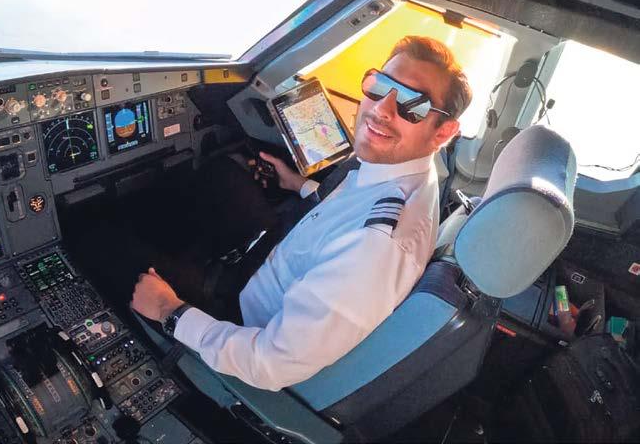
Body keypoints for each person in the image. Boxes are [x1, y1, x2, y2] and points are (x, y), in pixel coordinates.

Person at [132, 36, 472, 391]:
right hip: (271, 258)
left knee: (109, 246)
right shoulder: (400, 170)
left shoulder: (377, 249)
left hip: (239, 319)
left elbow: (271, 363)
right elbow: (349, 206)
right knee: (224, 175)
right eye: (380, 86)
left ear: (444, 132)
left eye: (413, 105)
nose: (381, 110)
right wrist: (299, 185)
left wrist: (170, 310)